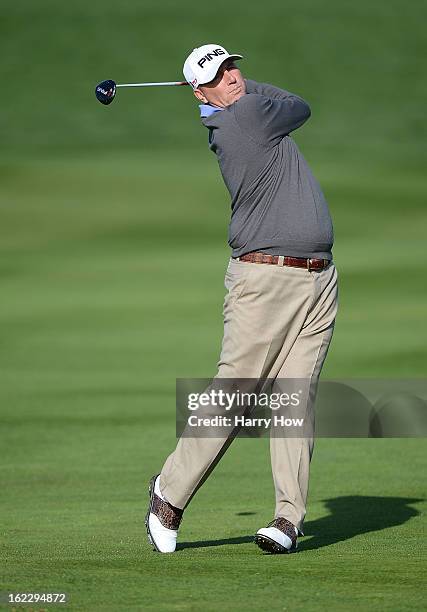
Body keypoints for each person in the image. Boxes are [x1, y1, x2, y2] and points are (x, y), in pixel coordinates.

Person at [145, 44, 338, 554]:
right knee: (234, 395)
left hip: (319, 279)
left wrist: (220, 93)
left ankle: (287, 520)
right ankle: (169, 493)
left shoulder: (240, 111)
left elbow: (289, 106)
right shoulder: (246, 118)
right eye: (218, 73)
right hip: (265, 281)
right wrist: (241, 94)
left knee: (294, 403)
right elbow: (300, 104)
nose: (233, 77)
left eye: (233, 66)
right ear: (198, 91)